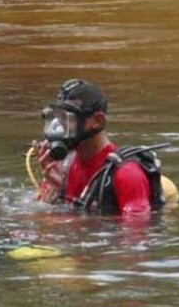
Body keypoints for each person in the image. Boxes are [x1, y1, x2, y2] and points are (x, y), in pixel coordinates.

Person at [32, 79, 166, 215]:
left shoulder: (127, 175)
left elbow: (138, 232)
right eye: (58, 118)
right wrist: (55, 190)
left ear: (98, 121)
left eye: (68, 119)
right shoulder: (64, 166)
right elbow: (45, 221)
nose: (59, 128)